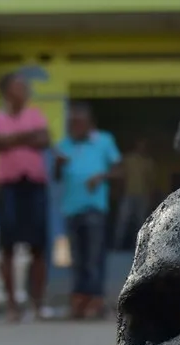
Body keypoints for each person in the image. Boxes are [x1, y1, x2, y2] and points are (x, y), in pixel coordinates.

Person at [0, 72, 51, 322]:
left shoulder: (36, 114)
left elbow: (44, 139)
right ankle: (12, 305)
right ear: (6, 91)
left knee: (38, 246)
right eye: (18, 86)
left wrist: (10, 139)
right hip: (7, 186)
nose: (24, 90)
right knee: (7, 246)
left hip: (34, 185)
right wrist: (26, 136)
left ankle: (38, 304)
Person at [55, 103, 122, 320]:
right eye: (71, 123)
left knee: (94, 257)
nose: (74, 127)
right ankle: (79, 300)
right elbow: (56, 176)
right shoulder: (64, 144)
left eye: (78, 123)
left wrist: (101, 177)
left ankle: (95, 300)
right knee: (77, 258)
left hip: (95, 207)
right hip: (71, 208)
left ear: (89, 124)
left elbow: (119, 170)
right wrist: (57, 164)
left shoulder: (104, 141)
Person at [114, 137, 156, 250]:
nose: (142, 147)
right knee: (123, 221)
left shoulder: (148, 161)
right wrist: (118, 192)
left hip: (143, 196)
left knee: (141, 223)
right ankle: (117, 246)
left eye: (144, 145)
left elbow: (150, 181)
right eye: (140, 145)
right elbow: (120, 176)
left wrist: (150, 197)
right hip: (128, 194)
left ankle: (140, 248)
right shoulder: (128, 159)